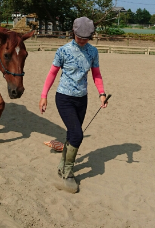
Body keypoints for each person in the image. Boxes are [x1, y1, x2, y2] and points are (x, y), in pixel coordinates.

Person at [39, 17, 108, 193]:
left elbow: (97, 75)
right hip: (64, 98)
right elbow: (52, 73)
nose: (83, 41)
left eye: (87, 38)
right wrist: (43, 95)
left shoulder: (93, 52)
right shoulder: (63, 51)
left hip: (82, 99)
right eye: (80, 37)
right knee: (78, 135)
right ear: (73, 33)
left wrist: (101, 94)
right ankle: (68, 173)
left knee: (72, 134)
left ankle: (62, 166)